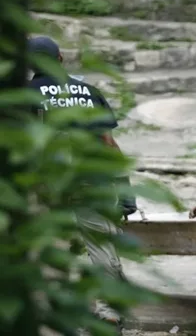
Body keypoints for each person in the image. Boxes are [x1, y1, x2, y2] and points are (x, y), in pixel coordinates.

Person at [27, 36, 138, 333]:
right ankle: (110, 314)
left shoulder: (24, 94)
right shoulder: (89, 92)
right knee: (102, 248)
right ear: (61, 59)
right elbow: (109, 144)